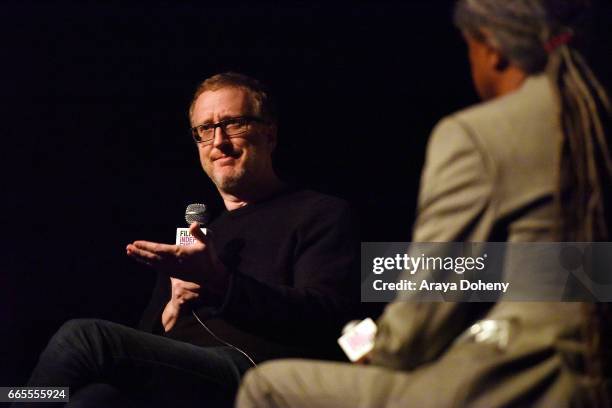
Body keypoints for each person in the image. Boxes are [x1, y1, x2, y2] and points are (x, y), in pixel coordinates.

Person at [236, 1, 612, 407]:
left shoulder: (477, 135)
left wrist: (370, 345)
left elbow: (424, 317)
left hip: (527, 377)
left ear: (491, 48)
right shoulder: (594, 118)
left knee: (267, 386)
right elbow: (576, 268)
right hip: (592, 360)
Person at [20, 72, 360, 407]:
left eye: (234, 123)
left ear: (269, 134)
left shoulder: (319, 212)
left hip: (256, 371)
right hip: (180, 373)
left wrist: (220, 282)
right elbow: (146, 339)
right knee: (91, 399)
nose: (218, 142)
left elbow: (326, 316)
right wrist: (172, 308)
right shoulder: (196, 237)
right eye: (205, 130)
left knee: (85, 338)